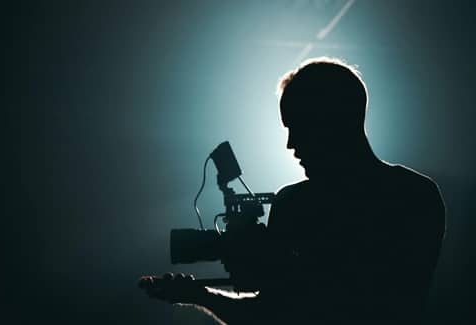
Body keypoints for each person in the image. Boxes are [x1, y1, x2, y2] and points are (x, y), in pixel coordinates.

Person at [139, 57, 446, 324]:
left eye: (297, 126)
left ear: (333, 121)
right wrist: (202, 295)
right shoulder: (416, 194)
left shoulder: (408, 198)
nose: (290, 145)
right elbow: (272, 312)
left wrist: (272, 266)